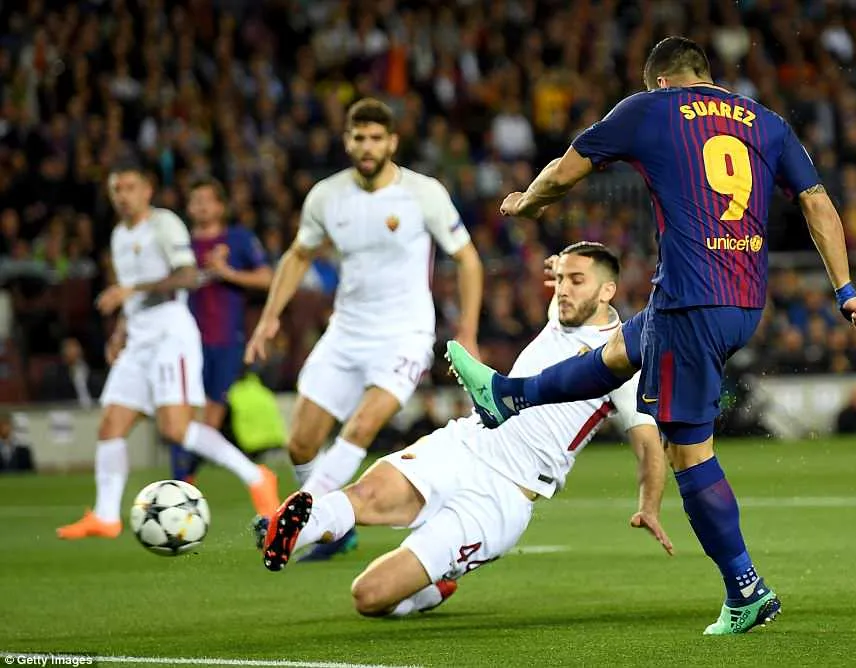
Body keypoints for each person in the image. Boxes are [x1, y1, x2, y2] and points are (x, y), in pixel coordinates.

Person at [446, 36, 856, 634]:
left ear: (662, 82)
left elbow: (565, 170)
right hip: (742, 301)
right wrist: (846, 289)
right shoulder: (766, 121)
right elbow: (818, 202)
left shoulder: (650, 108)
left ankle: (746, 589)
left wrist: (527, 203)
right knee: (621, 349)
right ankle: (509, 396)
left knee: (687, 451)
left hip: (691, 302)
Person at [259, 242, 672, 618]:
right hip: (464, 445)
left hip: (504, 496)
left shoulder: (622, 361)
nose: (563, 290)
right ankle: (297, 529)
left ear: (607, 291)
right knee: (368, 494)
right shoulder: (560, 314)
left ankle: (428, 591)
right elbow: (566, 284)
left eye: (576, 281)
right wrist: (561, 267)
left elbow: (648, 445)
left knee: (369, 596)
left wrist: (649, 505)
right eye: (560, 279)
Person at [245, 97, 484, 561]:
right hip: (346, 333)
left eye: (377, 138)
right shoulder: (326, 196)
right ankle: (336, 528)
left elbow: (468, 259)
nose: (368, 146)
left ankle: (297, 523)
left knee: (360, 426)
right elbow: (298, 255)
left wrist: (468, 332)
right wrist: (269, 317)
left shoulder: (423, 193)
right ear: (347, 142)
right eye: (360, 138)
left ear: (392, 142)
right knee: (300, 444)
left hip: (405, 334)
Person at [56, 164, 279, 540]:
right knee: (111, 425)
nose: (122, 195)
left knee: (176, 428)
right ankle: (106, 516)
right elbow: (130, 291)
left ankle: (257, 477)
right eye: (116, 189)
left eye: (130, 187)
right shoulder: (119, 236)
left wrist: (132, 291)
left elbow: (187, 276)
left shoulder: (165, 224)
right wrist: (120, 331)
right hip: (138, 338)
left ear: (147, 191)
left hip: (170, 335)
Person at [169, 177, 274, 482]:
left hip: (226, 340)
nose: (201, 206)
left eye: (207, 199)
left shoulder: (238, 239)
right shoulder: (180, 245)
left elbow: (267, 278)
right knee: (181, 415)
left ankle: (185, 481)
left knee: (211, 420)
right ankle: (181, 482)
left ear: (220, 206)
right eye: (195, 200)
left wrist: (227, 273)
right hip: (184, 341)